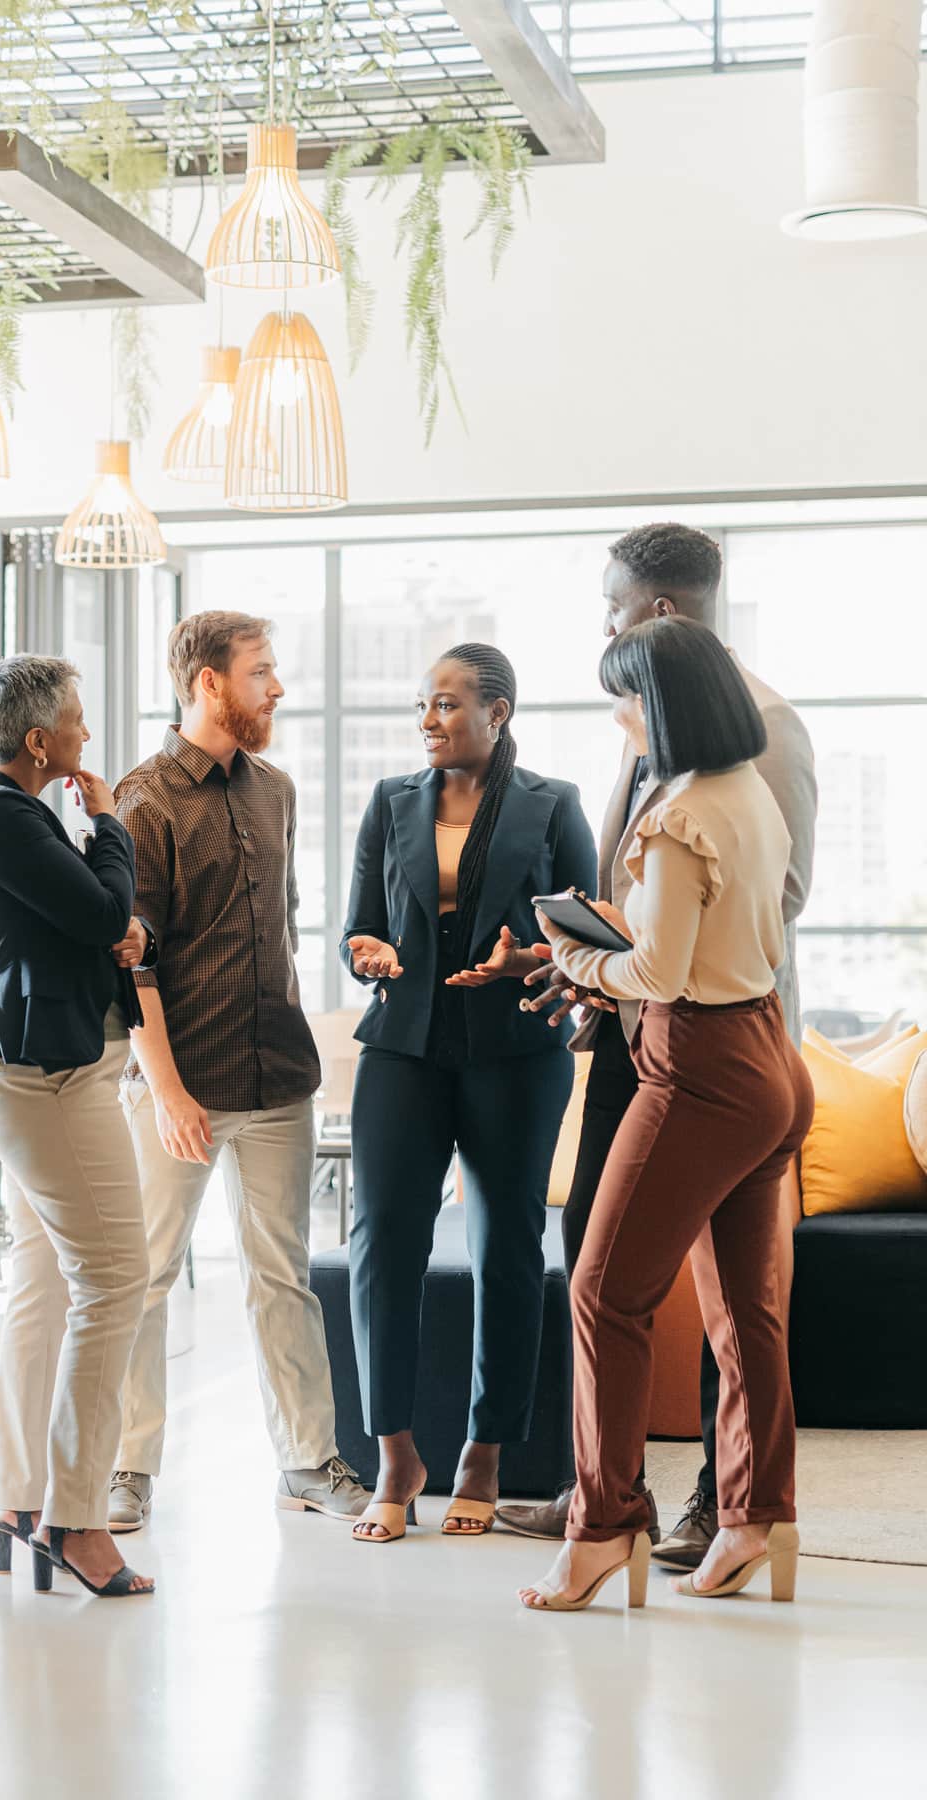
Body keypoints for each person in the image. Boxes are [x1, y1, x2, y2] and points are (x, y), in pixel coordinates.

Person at [498, 523, 816, 1569]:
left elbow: (671, 961)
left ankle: (607, 1523)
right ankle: (756, 1516)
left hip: (699, 1052)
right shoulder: (733, 789)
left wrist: (585, 962)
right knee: (740, 1313)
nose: (618, 712)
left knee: (602, 1292)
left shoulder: (702, 794)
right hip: (756, 1054)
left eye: (620, 685)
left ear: (659, 641)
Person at [107, 611, 369, 1531]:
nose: (277, 687)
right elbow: (128, 959)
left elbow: (281, 930)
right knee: (144, 1278)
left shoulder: (277, 792)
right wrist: (168, 1091)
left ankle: (308, 1458)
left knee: (283, 1276)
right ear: (209, 683)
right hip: (183, 1089)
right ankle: (126, 1467)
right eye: (262, 671)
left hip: (279, 1080)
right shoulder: (144, 801)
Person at [342, 644, 597, 1544]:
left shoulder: (553, 804)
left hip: (517, 1053)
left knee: (507, 1250)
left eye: (446, 704)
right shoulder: (390, 802)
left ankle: (486, 1450)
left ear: (499, 711)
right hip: (403, 1051)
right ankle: (395, 1452)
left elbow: (589, 939)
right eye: (422, 705)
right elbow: (356, 928)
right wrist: (366, 952)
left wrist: (527, 957)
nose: (428, 720)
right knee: (381, 1246)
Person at [0, 654, 155, 1599]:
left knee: (47, 1284)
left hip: (43, 1069)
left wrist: (119, 927)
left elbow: (93, 926)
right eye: (75, 721)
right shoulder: (5, 815)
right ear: (40, 741)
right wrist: (110, 821)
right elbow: (100, 908)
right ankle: (75, 1517)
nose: (85, 734)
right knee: (115, 1278)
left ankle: (19, 1497)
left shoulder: (22, 817)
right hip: (47, 1079)